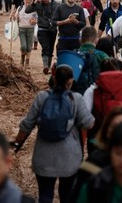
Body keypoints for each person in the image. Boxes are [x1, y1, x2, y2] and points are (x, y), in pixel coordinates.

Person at [13, 65, 95, 203]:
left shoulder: (41, 97)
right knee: (67, 194)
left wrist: (16, 143)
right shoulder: (76, 98)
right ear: (70, 81)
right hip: (70, 158)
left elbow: (27, 125)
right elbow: (88, 124)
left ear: (54, 79)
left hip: (43, 156)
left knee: (45, 195)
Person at [26, 0, 59, 74]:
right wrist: (34, 3)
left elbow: (57, 15)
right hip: (42, 29)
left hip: (52, 29)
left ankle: (48, 66)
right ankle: (45, 66)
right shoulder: (38, 4)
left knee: (51, 48)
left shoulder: (55, 4)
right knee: (45, 47)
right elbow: (27, 11)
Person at [73, 26, 109, 94]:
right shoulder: (101, 55)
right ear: (96, 40)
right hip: (96, 94)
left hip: (76, 94)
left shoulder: (73, 55)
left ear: (80, 40)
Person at [11, 0, 38, 69]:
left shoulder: (34, 10)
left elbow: (37, 20)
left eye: (29, 2)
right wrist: (13, 15)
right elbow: (15, 19)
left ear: (32, 2)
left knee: (29, 47)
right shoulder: (20, 8)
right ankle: (22, 59)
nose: (27, 4)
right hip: (21, 29)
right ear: (24, 1)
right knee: (23, 46)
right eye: (26, 2)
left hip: (30, 29)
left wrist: (34, 22)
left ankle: (27, 62)